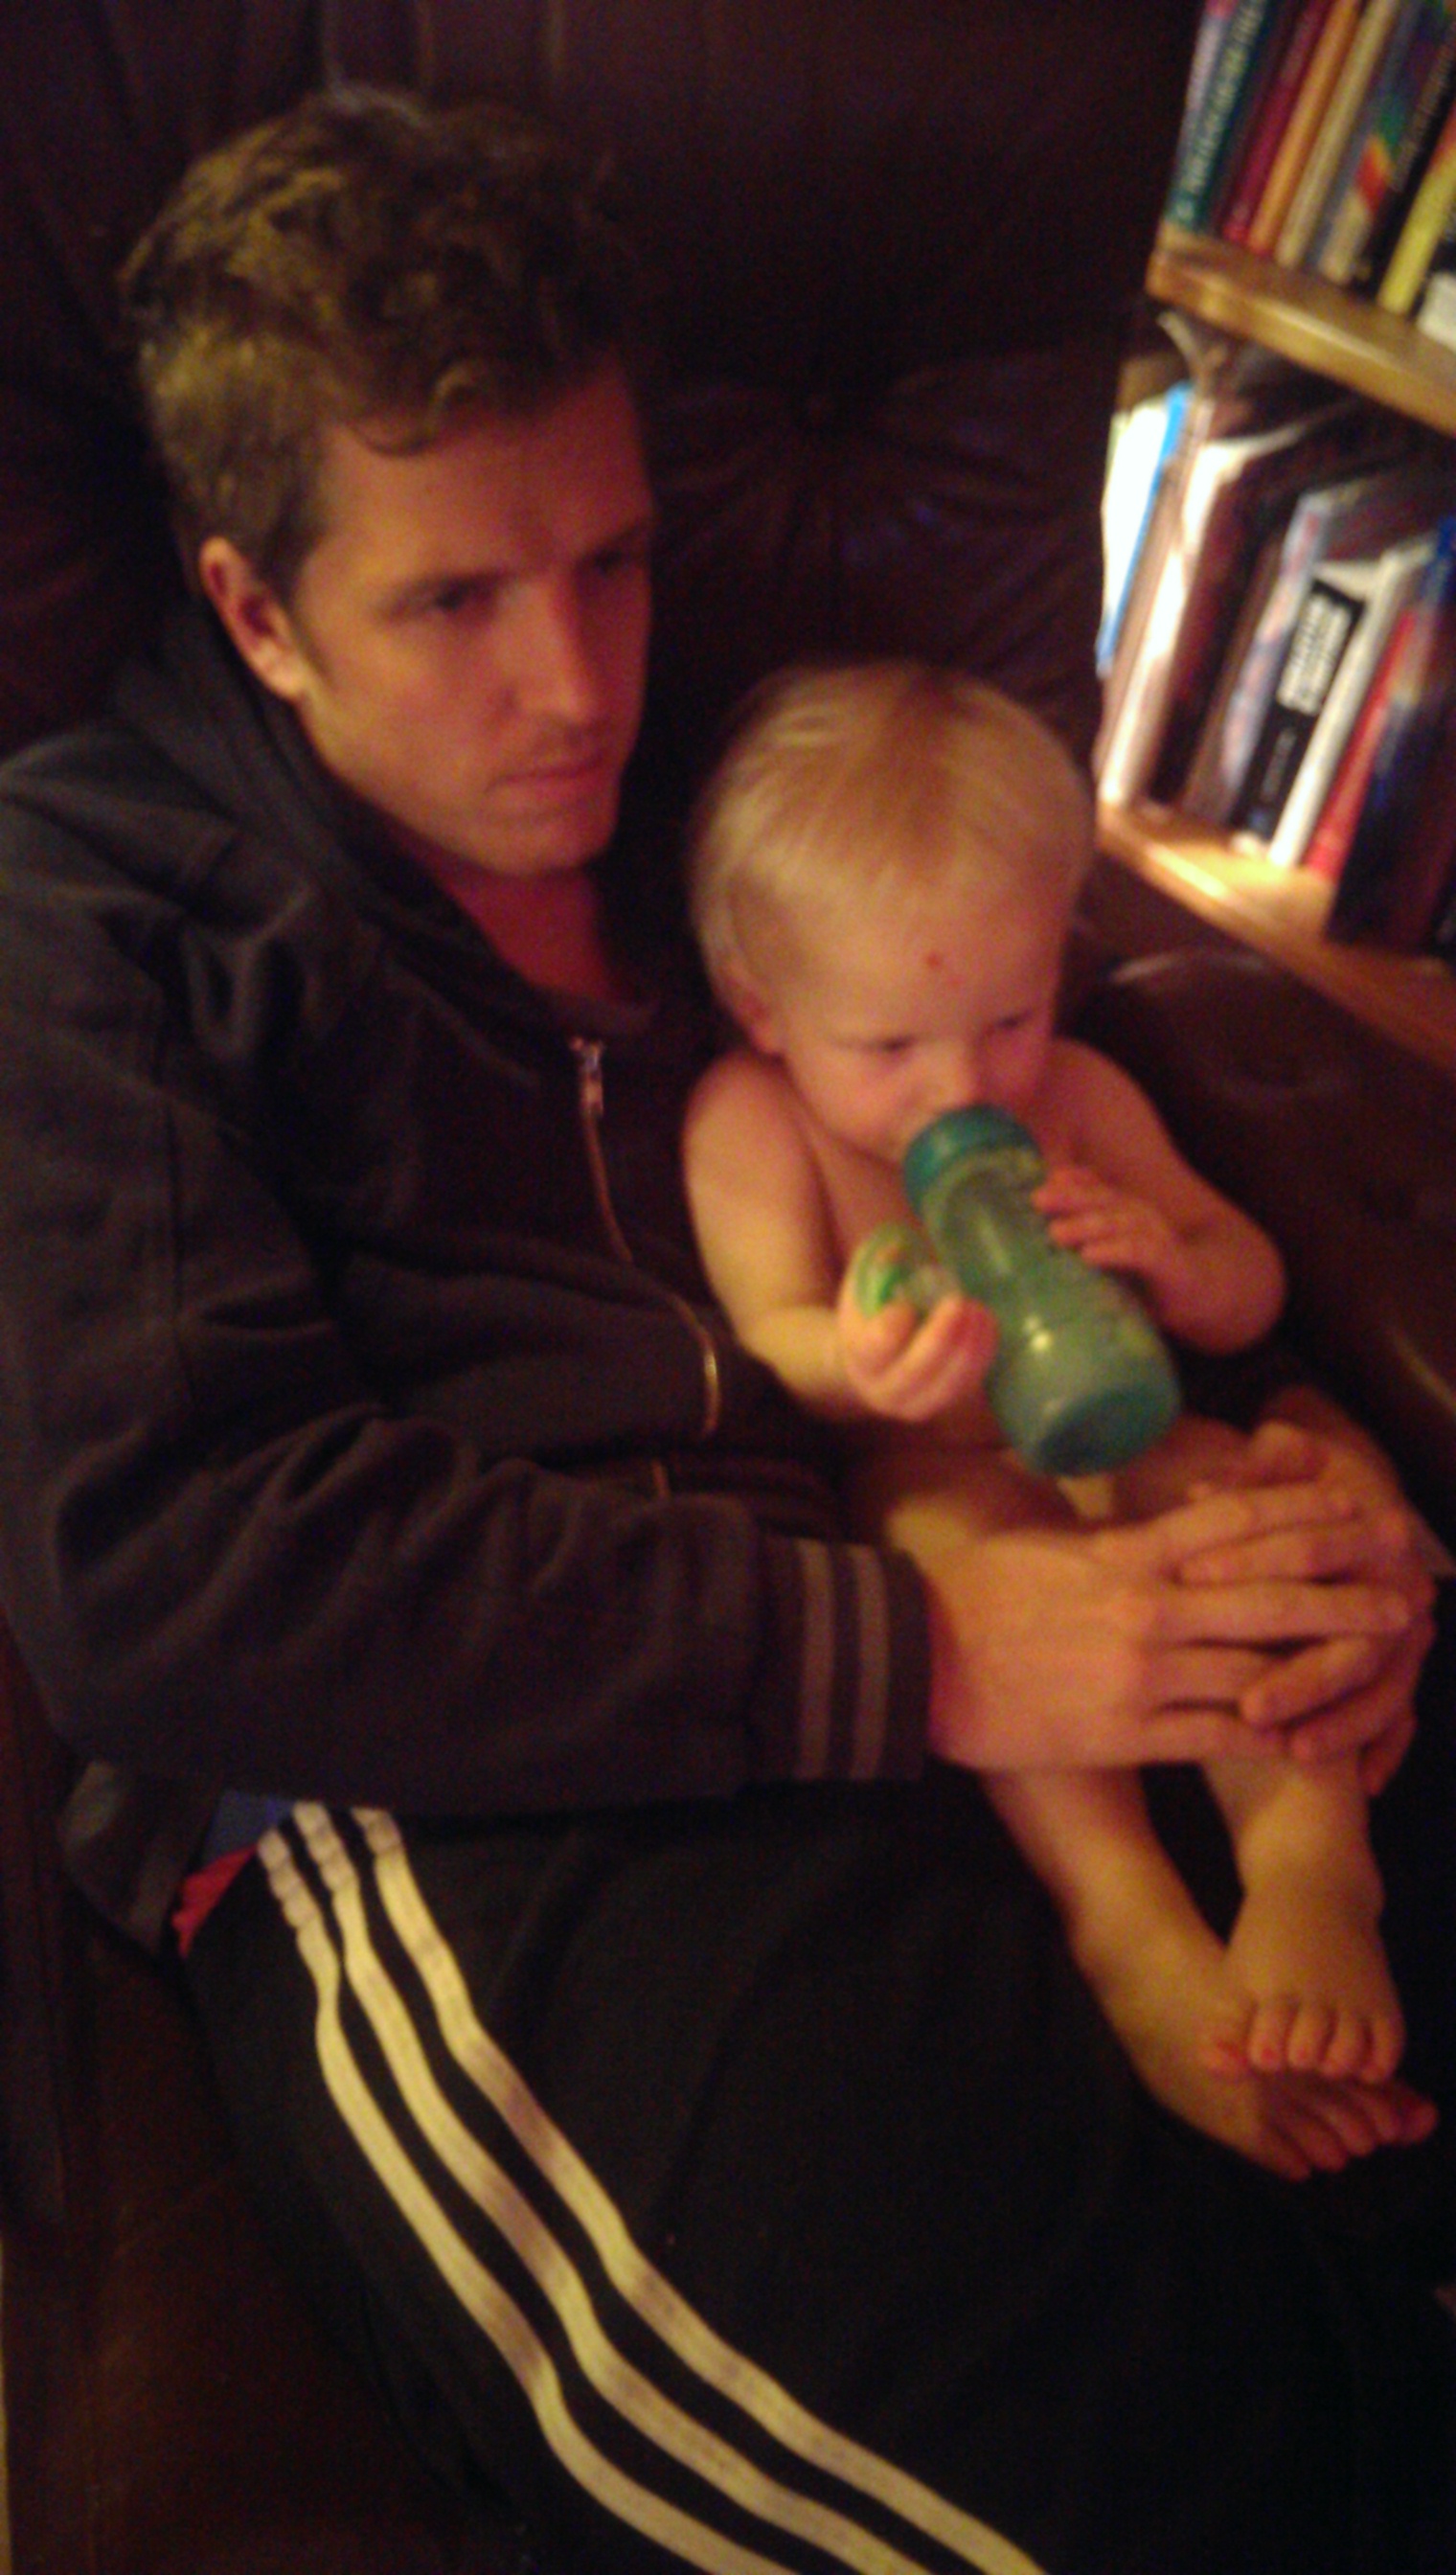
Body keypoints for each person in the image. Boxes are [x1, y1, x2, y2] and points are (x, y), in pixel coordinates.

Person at [0, 85, 1450, 2575]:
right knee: (1139, 2472)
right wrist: (923, 1657)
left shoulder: (734, 776)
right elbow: (174, 1573)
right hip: (475, 1769)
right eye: (452, 603)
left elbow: (1025, 1058)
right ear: (256, 611)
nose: (576, 684)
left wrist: (1300, 1440)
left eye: (615, 561)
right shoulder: (92, 916)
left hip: (982, 1519)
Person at [682, 659, 1417, 2176]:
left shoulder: (1073, 1097)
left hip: (1130, 1428)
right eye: (892, 1047)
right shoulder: (752, 1126)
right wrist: (860, 1357)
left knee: (1241, 1516)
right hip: (932, 1467)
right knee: (953, 1556)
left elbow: (1249, 1281)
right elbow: (769, 1334)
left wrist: (1175, 1263)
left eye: (1009, 1015)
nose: (965, 1083)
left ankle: (1310, 1868)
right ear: (765, 1009)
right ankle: (1130, 1926)